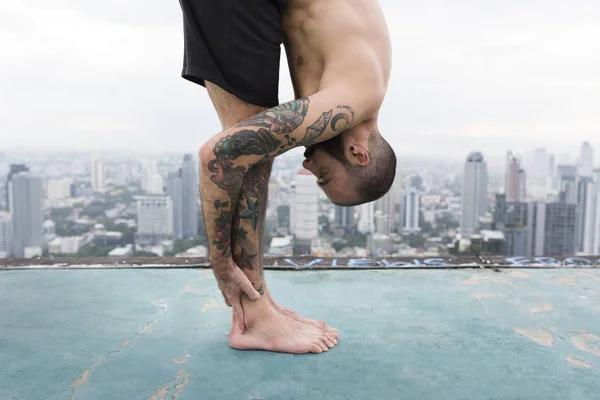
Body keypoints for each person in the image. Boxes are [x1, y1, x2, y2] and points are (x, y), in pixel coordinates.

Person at [177, 0, 396, 354]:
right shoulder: (351, 101)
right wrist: (221, 266)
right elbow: (217, 155)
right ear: (358, 153)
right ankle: (255, 317)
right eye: (324, 175)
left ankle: (259, 304)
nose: (308, 168)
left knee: (258, 143)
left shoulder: (367, 74)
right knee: (248, 147)